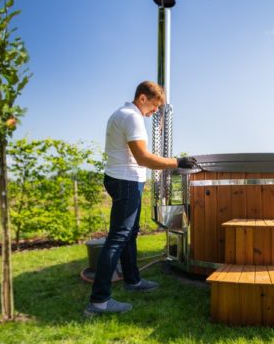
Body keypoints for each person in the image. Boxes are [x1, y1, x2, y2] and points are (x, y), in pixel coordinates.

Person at [84, 81, 196, 316]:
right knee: (117, 238)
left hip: (123, 179)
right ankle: (99, 302)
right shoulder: (132, 117)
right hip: (125, 181)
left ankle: (133, 280)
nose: (154, 112)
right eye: (154, 106)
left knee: (129, 235)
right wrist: (177, 162)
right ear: (142, 98)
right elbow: (143, 158)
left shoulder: (121, 114)